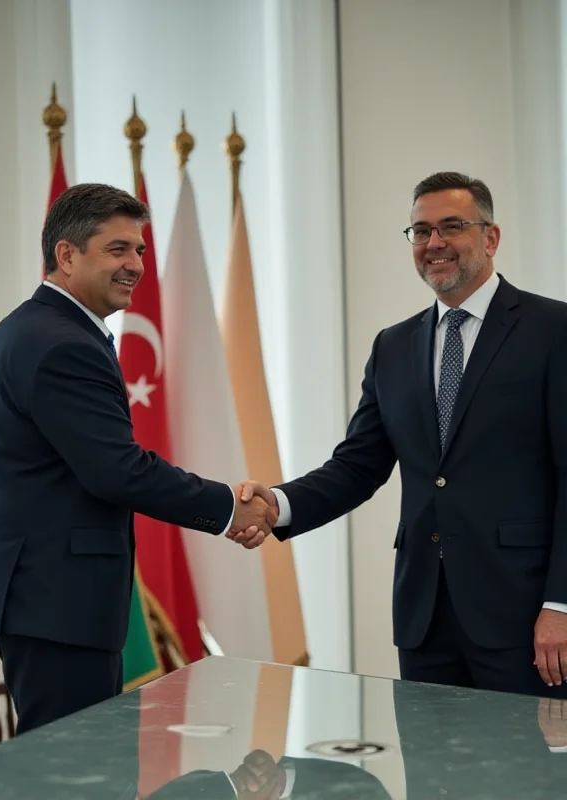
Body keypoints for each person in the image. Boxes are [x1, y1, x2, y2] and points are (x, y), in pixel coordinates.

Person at [230, 171, 567, 698]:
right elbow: (358, 466)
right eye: (420, 231)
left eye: (451, 227)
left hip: (526, 618)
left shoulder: (553, 330)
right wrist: (278, 503)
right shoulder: (393, 346)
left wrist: (561, 604)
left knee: (529, 777)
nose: (434, 243)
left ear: (491, 237)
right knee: (432, 777)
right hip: (423, 618)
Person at [0, 183, 275, 734]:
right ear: (66, 255)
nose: (136, 265)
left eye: (138, 250)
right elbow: (118, 469)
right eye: (118, 250)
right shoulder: (61, 343)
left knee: (67, 763)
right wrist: (228, 507)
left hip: (42, 596)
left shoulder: (30, 330)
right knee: (74, 769)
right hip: (57, 600)